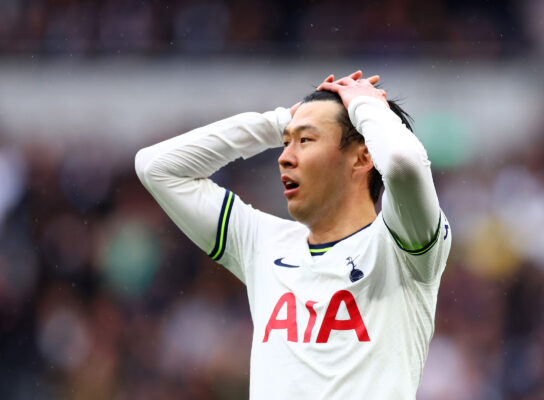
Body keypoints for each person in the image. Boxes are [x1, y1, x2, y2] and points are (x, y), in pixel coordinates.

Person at [135, 70, 451, 399]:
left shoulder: (403, 247)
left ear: (362, 157)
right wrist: (279, 122)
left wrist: (367, 106)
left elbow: (403, 163)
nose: (284, 157)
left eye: (305, 140)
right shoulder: (262, 243)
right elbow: (155, 167)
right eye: (286, 142)